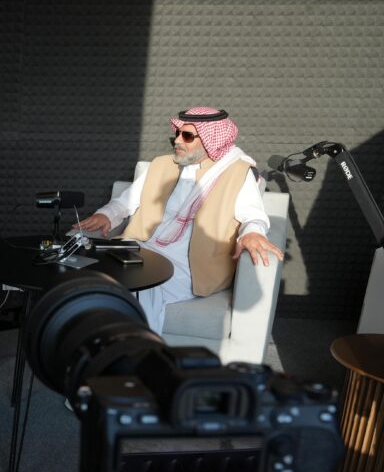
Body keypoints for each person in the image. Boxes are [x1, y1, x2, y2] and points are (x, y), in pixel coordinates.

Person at [75, 107, 284, 334]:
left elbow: (253, 216)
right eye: (177, 133)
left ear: (209, 141)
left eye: (187, 136)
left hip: (190, 265)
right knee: (90, 274)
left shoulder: (238, 173)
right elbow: (126, 201)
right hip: (142, 247)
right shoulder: (161, 165)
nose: (177, 141)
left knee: (144, 286)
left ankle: (138, 347)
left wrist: (253, 233)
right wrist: (106, 214)